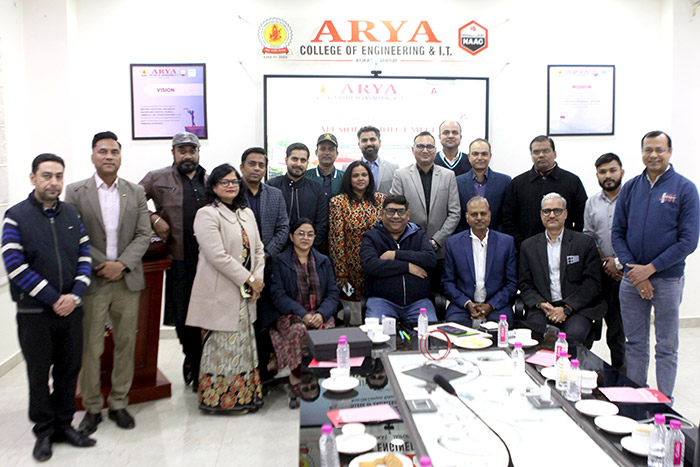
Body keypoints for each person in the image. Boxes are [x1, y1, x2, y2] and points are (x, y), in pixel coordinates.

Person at [2, 154, 95, 461]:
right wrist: (54, 298)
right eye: (46, 176)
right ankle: (43, 432)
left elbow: (85, 256)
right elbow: (15, 265)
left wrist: (74, 296)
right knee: (38, 375)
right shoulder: (15, 216)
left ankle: (64, 425)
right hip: (35, 314)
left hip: (72, 310)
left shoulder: (71, 214)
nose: (53, 182)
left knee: (69, 371)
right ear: (33, 178)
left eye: (58, 176)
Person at [65, 131, 151, 434]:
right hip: (92, 281)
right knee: (91, 347)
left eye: (114, 151)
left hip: (127, 279)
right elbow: (73, 234)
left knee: (126, 344)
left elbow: (143, 234)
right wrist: (104, 265)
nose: (109, 156)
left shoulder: (135, 192)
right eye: (102, 151)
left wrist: (122, 264)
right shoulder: (76, 191)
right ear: (93, 156)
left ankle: (118, 403)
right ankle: (91, 407)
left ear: (120, 156)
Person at [612, 131, 700, 398]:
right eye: (648, 149)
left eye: (659, 149)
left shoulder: (685, 189)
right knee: (635, 343)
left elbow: (688, 241)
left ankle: (664, 401)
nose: (653, 155)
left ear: (669, 152)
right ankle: (637, 397)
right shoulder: (630, 188)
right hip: (631, 280)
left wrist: (649, 270)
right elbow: (617, 233)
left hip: (667, 279)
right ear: (642, 153)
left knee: (666, 346)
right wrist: (634, 272)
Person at [185, 164, 265, 413]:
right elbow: (217, 256)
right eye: (224, 182)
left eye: (234, 181)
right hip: (220, 291)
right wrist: (248, 279)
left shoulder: (246, 213)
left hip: (246, 293)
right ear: (213, 186)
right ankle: (219, 401)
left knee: (243, 347)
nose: (231, 186)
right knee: (223, 349)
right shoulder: (207, 214)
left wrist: (258, 277)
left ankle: (245, 396)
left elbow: (259, 249)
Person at [139, 132, 208, 390]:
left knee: (205, 315)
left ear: (198, 152)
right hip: (178, 259)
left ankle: (202, 364)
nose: (187, 155)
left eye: (192, 150)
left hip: (208, 261)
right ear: (173, 153)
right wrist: (154, 218)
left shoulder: (209, 179)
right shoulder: (157, 178)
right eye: (182, 151)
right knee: (182, 315)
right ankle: (192, 358)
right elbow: (130, 199)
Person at [268, 219, 339, 408]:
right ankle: (296, 375)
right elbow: (278, 295)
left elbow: (333, 293)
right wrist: (303, 314)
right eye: (300, 233)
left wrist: (321, 314)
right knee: (298, 330)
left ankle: (324, 376)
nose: (305, 238)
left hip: (319, 314)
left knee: (328, 330)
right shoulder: (280, 261)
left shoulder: (323, 261)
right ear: (291, 236)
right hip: (291, 314)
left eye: (310, 234)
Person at [519, 193, 605, 347]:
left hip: (577, 308)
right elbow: (525, 284)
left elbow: (592, 283)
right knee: (536, 335)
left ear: (565, 214)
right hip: (543, 309)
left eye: (557, 211)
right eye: (547, 211)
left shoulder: (584, 243)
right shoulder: (528, 246)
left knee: (572, 337)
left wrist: (567, 308)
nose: (552, 215)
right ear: (541, 215)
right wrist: (540, 304)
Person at [239, 147, 289, 384]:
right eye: (252, 164)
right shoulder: (232, 193)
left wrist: (266, 254)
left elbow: (283, 227)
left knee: (266, 318)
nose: (257, 168)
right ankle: (244, 370)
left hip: (269, 266)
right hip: (240, 269)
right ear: (242, 167)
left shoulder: (275, 194)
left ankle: (264, 370)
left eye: (261, 165)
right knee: (244, 318)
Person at [390, 131, 460, 298]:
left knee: (440, 297)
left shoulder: (448, 175)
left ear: (435, 150)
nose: (425, 150)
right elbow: (395, 212)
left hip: (440, 250)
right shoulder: (401, 175)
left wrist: (436, 240)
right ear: (413, 149)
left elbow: (455, 212)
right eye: (420, 146)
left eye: (429, 146)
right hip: (410, 248)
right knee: (414, 296)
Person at [360, 195, 437, 325]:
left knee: (430, 334)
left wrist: (395, 254)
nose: (396, 216)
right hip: (382, 301)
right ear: (382, 214)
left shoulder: (418, 235)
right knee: (376, 334)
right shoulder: (371, 237)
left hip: (418, 302)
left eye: (401, 211)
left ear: (408, 215)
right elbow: (370, 265)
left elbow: (430, 259)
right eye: (391, 211)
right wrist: (407, 267)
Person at [443, 196, 517, 327]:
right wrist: (467, 303)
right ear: (467, 217)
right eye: (474, 214)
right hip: (462, 306)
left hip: (496, 305)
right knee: (455, 328)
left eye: (483, 213)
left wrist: (490, 305)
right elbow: (447, 282)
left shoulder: (506, 242)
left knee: (499, 329)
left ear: (490, 215)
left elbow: (511, 283)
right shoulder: (453, 243)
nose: (479, 218)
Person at [502, 135, 588, 248]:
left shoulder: (572, 181)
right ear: (531, 156)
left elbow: (582, 216)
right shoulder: (518, 183)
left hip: (566, 247)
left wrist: (574, 242)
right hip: (528, 249)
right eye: (536, 152)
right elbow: (508, 218)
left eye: (546, 151)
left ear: (554, 154)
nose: (541, 155)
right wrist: (521, 243)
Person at [583, 153, 627, 372]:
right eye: (602, 172)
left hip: (629, 272)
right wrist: (606, 263)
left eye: (612, 170)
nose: (608, 175)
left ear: (621, 172)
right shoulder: (591, 203)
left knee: (623, 329)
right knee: (604, 324)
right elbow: (589, 236)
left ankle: (625, 374)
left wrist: (619, 262)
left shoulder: (632, 199)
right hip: (604, 272)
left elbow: (638, 236)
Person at [328, 161, 385, 324]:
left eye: (364, 175)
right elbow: (336, 239)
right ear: (349, 179)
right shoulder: (338, 202)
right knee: (353, 315)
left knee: (376, 310)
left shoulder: (381, 200)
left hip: (378, 263)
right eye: (356, 175)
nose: (360, 178)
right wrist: (341, 271)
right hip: (351, 265)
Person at [268, 142, 328, 250]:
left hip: (308, 251)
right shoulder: (271, 187)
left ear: (307, 163)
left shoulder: (316, 189)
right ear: (286, 160)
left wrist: (308, 248)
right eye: (294, 159)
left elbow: (321, 224)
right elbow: (267, 223)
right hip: (277, 252)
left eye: (303, 160)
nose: (298, 164)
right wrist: (273, 250)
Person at [455, 138, 511, 232]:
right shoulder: (457, 182)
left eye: (484, 154)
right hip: (465, 237)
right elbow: (456, 215)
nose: (480, 157)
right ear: (469, 157)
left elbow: (507, 215)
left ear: (490, 156)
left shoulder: (505, 181)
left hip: (497, 236)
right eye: (475, 154)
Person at [348, 125, 398, 194]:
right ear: (359, 144)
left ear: (379, 142)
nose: (369, 143)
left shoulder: (393, 168)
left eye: (372, 139)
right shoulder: (348, 168)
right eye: (364, 140)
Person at [305, 133, 344, 204]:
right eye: (323, 149)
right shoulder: (306, 176)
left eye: (331, 149)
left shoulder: (345, 177)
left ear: (337, 154)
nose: (327, 153)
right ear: (316, 152)